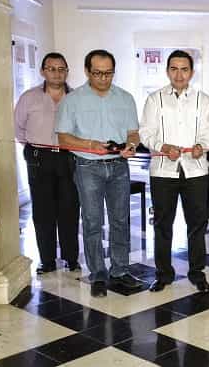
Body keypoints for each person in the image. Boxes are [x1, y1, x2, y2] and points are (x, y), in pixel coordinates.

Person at [56, 49, 143, 298]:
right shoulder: (72, 100)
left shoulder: (125, 98)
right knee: (93, 222)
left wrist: (131, 146)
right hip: (87, 166)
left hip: (118, 166)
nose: (104, 78)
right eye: (98, 73)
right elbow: (63, 138)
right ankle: (97, 274)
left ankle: (120, 270)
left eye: (108, 73)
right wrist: (90, 145)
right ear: (87, 71)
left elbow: (133, 133)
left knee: (120, 220)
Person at [140, 50, 209, 293]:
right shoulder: (154, 99)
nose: (179, 74)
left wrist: (201, 146)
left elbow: (208, 134)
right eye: (174, 68)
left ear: (191, 72)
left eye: (184, 69)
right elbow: (146, 133)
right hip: (163, 171)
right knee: (163, 224)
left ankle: (197, 272)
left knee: (197, 223)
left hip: (196, 170)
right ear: (167, 71)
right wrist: (163, 147)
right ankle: (163, 274)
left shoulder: (203, 100)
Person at [14, 52, 80, 274]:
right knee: (43, 212)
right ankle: (48, 261)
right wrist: (37, 145)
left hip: (69, 157)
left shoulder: (77, 98)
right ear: (43, 71)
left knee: (69, 209)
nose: (57, 73)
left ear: (67, 72)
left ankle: (71, 259)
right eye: (52, 68)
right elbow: (19, 130)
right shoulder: (28, 98)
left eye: (61, 69)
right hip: (38, 157)